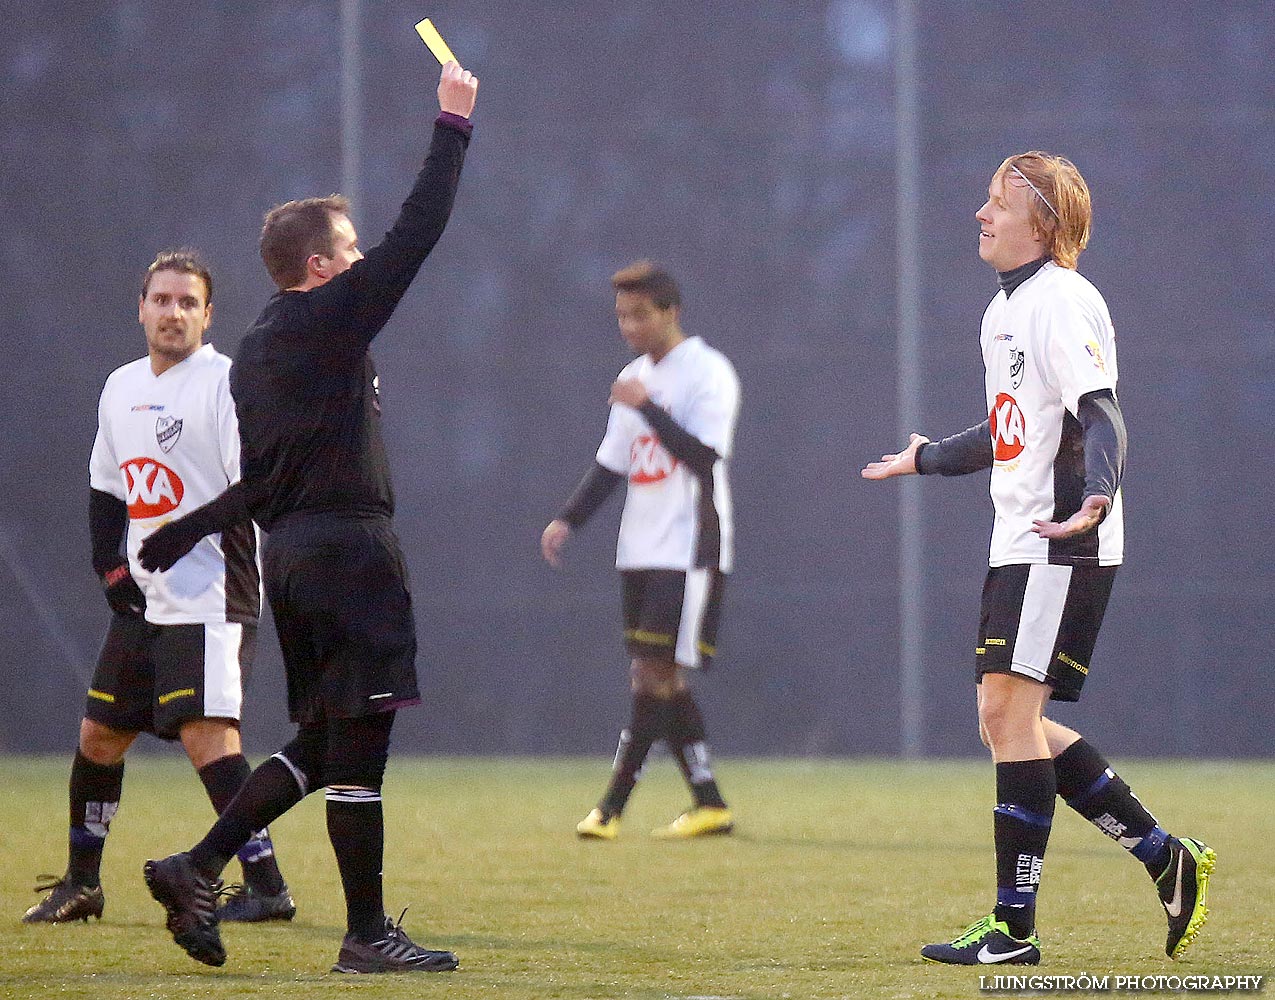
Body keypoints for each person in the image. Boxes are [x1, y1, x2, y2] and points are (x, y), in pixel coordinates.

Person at [133, 61, 478, 974]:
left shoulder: (257, 349)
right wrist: (452, 127)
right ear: (321, 268)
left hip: (293, 559)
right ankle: (366, 937)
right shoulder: (326, 322)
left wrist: (181, 530)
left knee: (321, 744)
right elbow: (417, 237)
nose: (364, 262)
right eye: (349, 251)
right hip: (351, 556)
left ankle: (195, 863)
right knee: (360, 754)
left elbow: (261, 482)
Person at [861, 152, 1214, 965]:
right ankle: (1165, 858)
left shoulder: (1061, 300)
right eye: (985, 198)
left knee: (1007, 721)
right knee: (1009, 721)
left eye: (997, 202)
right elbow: (1012, 430)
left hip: (1060, 541)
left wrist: (1094, 498)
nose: (980, 214)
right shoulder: (1003, 311)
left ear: (1045, 224)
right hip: (1021, 540)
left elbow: (1101, 415)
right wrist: (925, 459)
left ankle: (1013, 930)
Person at [22, 251, 293, 927]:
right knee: (99, 737)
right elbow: (107, 487)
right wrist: (106, 564)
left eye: (186, 302)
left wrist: (181, 536)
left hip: (211, 595)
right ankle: (83, 884)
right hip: (146, 599)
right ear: (140, 306)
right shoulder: (119, 386)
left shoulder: (227, 385)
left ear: (208, 315)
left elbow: (253, 487)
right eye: (161, 299)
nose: (172, 313)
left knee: (208, 737)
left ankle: (267, 888)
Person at [542, 261, 740, 841]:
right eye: (621, 316)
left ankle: (612, 806)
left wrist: (647, 406)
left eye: (638, 315)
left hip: (689, 548)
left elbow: (704, 457)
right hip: (639, 549)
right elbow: (613, 465)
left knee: (651, 673)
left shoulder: (708, 372)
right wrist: (568, 519)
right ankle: (709, 802)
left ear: (669, 312)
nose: (628, 327)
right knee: (664, 679)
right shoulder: (632, 375)